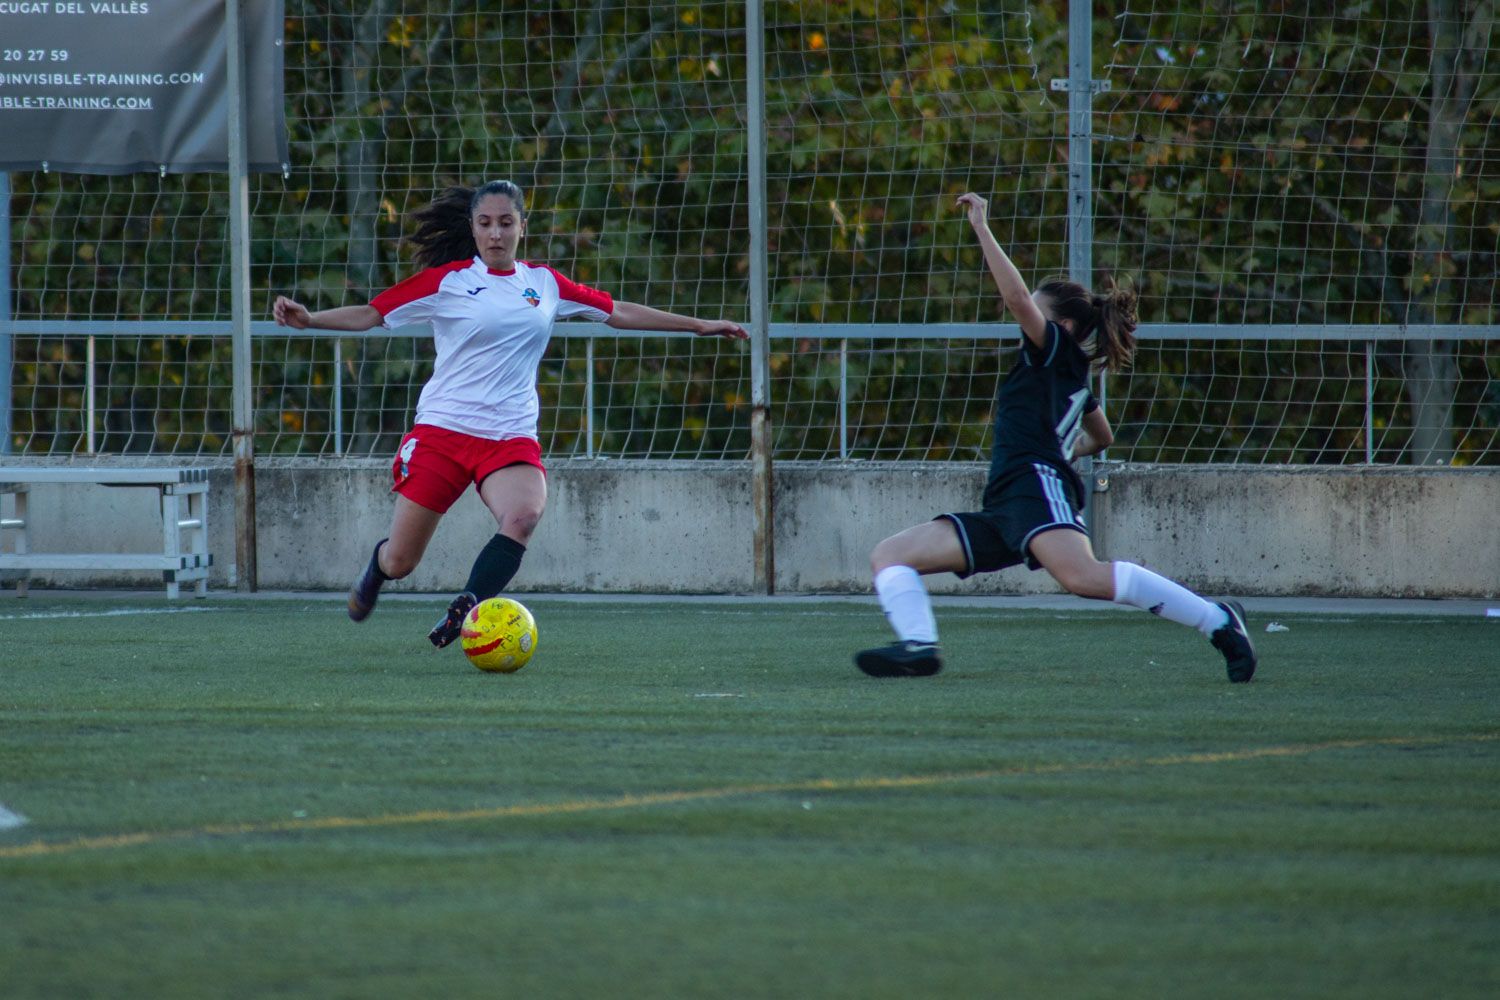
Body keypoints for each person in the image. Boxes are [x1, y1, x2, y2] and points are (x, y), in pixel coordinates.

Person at [273, 180, 747, 647]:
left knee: (522, 516)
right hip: (443, 433)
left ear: (523, 225)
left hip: (509, 435)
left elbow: (616, 309)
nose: (495, 234)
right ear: (473, 229)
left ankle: (468, 609)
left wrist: (698, 325)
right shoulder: (449, 281)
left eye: (505, 222)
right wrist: (311, 320)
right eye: (485, 224)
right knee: (401, 562)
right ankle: (375, 572)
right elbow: (372, 314)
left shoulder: (543, 283)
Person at [853, 191, 1256, 682]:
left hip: (1032, 484)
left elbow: (1016, 298)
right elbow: (1101, 436)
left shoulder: (1055, 352)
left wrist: (981, 226)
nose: (1025, 321)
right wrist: (1063, 449)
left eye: (1040, 316)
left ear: (1061, 325)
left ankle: (1219, 621)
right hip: (1008, 501)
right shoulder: (1064, 375)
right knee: (889, 555)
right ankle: (918, 646)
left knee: (1084, 578)